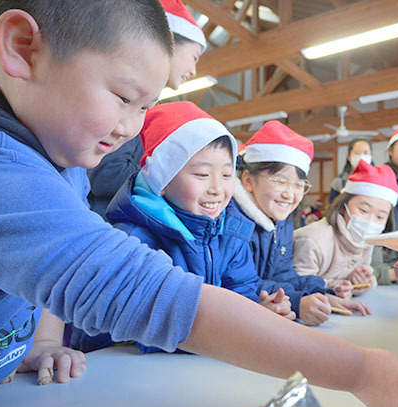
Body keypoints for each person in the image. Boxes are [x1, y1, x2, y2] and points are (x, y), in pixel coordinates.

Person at [0, 1, 398, 407]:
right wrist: (361, 371)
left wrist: (35, 342)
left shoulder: (63, 162)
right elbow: (148, 295)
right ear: (23, 48)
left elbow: (46, 279)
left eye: (145, 107)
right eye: (124, 97)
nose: (130, 129)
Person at [70, 101, 294, 353]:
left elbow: (242, 295)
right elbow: (148, 328)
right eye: (201, 175)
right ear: (162, 179)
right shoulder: (133, 240)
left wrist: (259, 313)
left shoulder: (232, 233)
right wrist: (238, 328)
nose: (217, 188)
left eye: (226, 174)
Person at [233, 121, 370, 326]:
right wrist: (298, 303)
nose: (290, 194)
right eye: (280, 181)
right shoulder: (234, 223)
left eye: (299, 185)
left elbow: (282, 274)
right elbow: (241, 285)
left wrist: (323, 293)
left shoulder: (281, 222)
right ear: (248, 180)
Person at [87, 0, 207, 216]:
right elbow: (105, 173)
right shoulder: (129, 102)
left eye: (144, 107)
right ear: (166, 40)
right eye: (194, 57)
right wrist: (169, 176)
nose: (193, 70)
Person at [294, 160, 398, 297]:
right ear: (344, 206)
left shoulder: (366, 240)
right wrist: (331, 287)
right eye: (363, 210)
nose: (370, 222)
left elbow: (353, 281)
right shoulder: (313, 241)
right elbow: (296, 283)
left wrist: (358, 282)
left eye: (380, 217)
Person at [328, 138, 373, 203]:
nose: (362, 156)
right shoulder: (339, 182)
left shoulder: (380, 179)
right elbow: (332, 208)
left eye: (365, 153)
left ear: (371, 156)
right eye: (357, 153)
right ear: (349, 157)